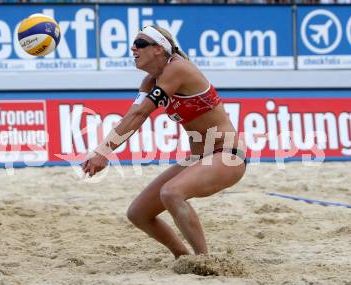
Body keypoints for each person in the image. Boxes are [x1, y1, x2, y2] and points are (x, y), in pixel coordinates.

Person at [82, 25, 246, 259]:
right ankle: (183, 256)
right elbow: (132, 118)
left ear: (159, 49)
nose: (132, 48)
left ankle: (205, 261)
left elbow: (140, 115)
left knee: (171, 193)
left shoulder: (177, 68)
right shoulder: (150, 82)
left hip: (227, 155)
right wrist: (102, 150)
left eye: (139, 44)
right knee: (138, 213)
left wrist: (104, 152)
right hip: (199, 158)